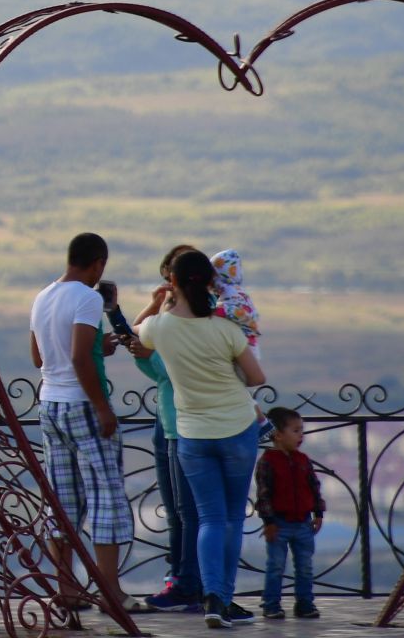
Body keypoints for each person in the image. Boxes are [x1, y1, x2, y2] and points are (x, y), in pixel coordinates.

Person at [138, 248, 267, 630]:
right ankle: (222, 599)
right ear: (209, 283)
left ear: (172, 282)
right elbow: (256, 377)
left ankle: (211, 598)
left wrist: (158, 303)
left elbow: (136, 336)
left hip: (192, 435)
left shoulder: (160, 327)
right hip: (237, 430)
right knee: (231, 518)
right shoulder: (225, 329)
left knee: (209, 519)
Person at [29, 233, 149, 616]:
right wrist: (103, 408)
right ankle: (111, 591)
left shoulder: (43, 295)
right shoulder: (87, 297)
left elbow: (39, 356)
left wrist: (100, 346)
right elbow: (81, 357)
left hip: (49, 404)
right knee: (106, 498)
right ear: (98, 263)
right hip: (82, 406)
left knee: (63, 501)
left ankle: (68, 590)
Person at [129, 244, 204, 612]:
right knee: (179, 511)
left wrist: (153, 313)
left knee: (187, 512)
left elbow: (146, 350)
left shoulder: (182, 323)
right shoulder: (170, 318)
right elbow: (139, 343)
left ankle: (188, 581)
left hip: (182, 424)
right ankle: (181, 576)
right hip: (168, 418)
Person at [254, 407, 323, 620]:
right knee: (275, 566)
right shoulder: (267, 462)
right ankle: (271, 605)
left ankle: (304, 604)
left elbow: (314, 487)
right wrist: (269, 522)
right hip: (279, 523)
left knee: (305, 567)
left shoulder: (303, 460)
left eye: (301, 430)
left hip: (303, 522)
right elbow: (263, 494)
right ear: (277, 434)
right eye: (295, 431)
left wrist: (318, 512)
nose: (301, 435)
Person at [211, 249, 260, 346]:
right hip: (246, 341)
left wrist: (215, 311)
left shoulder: (230, 291)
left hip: (244, 342)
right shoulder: (239, 291)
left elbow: (235, 311)